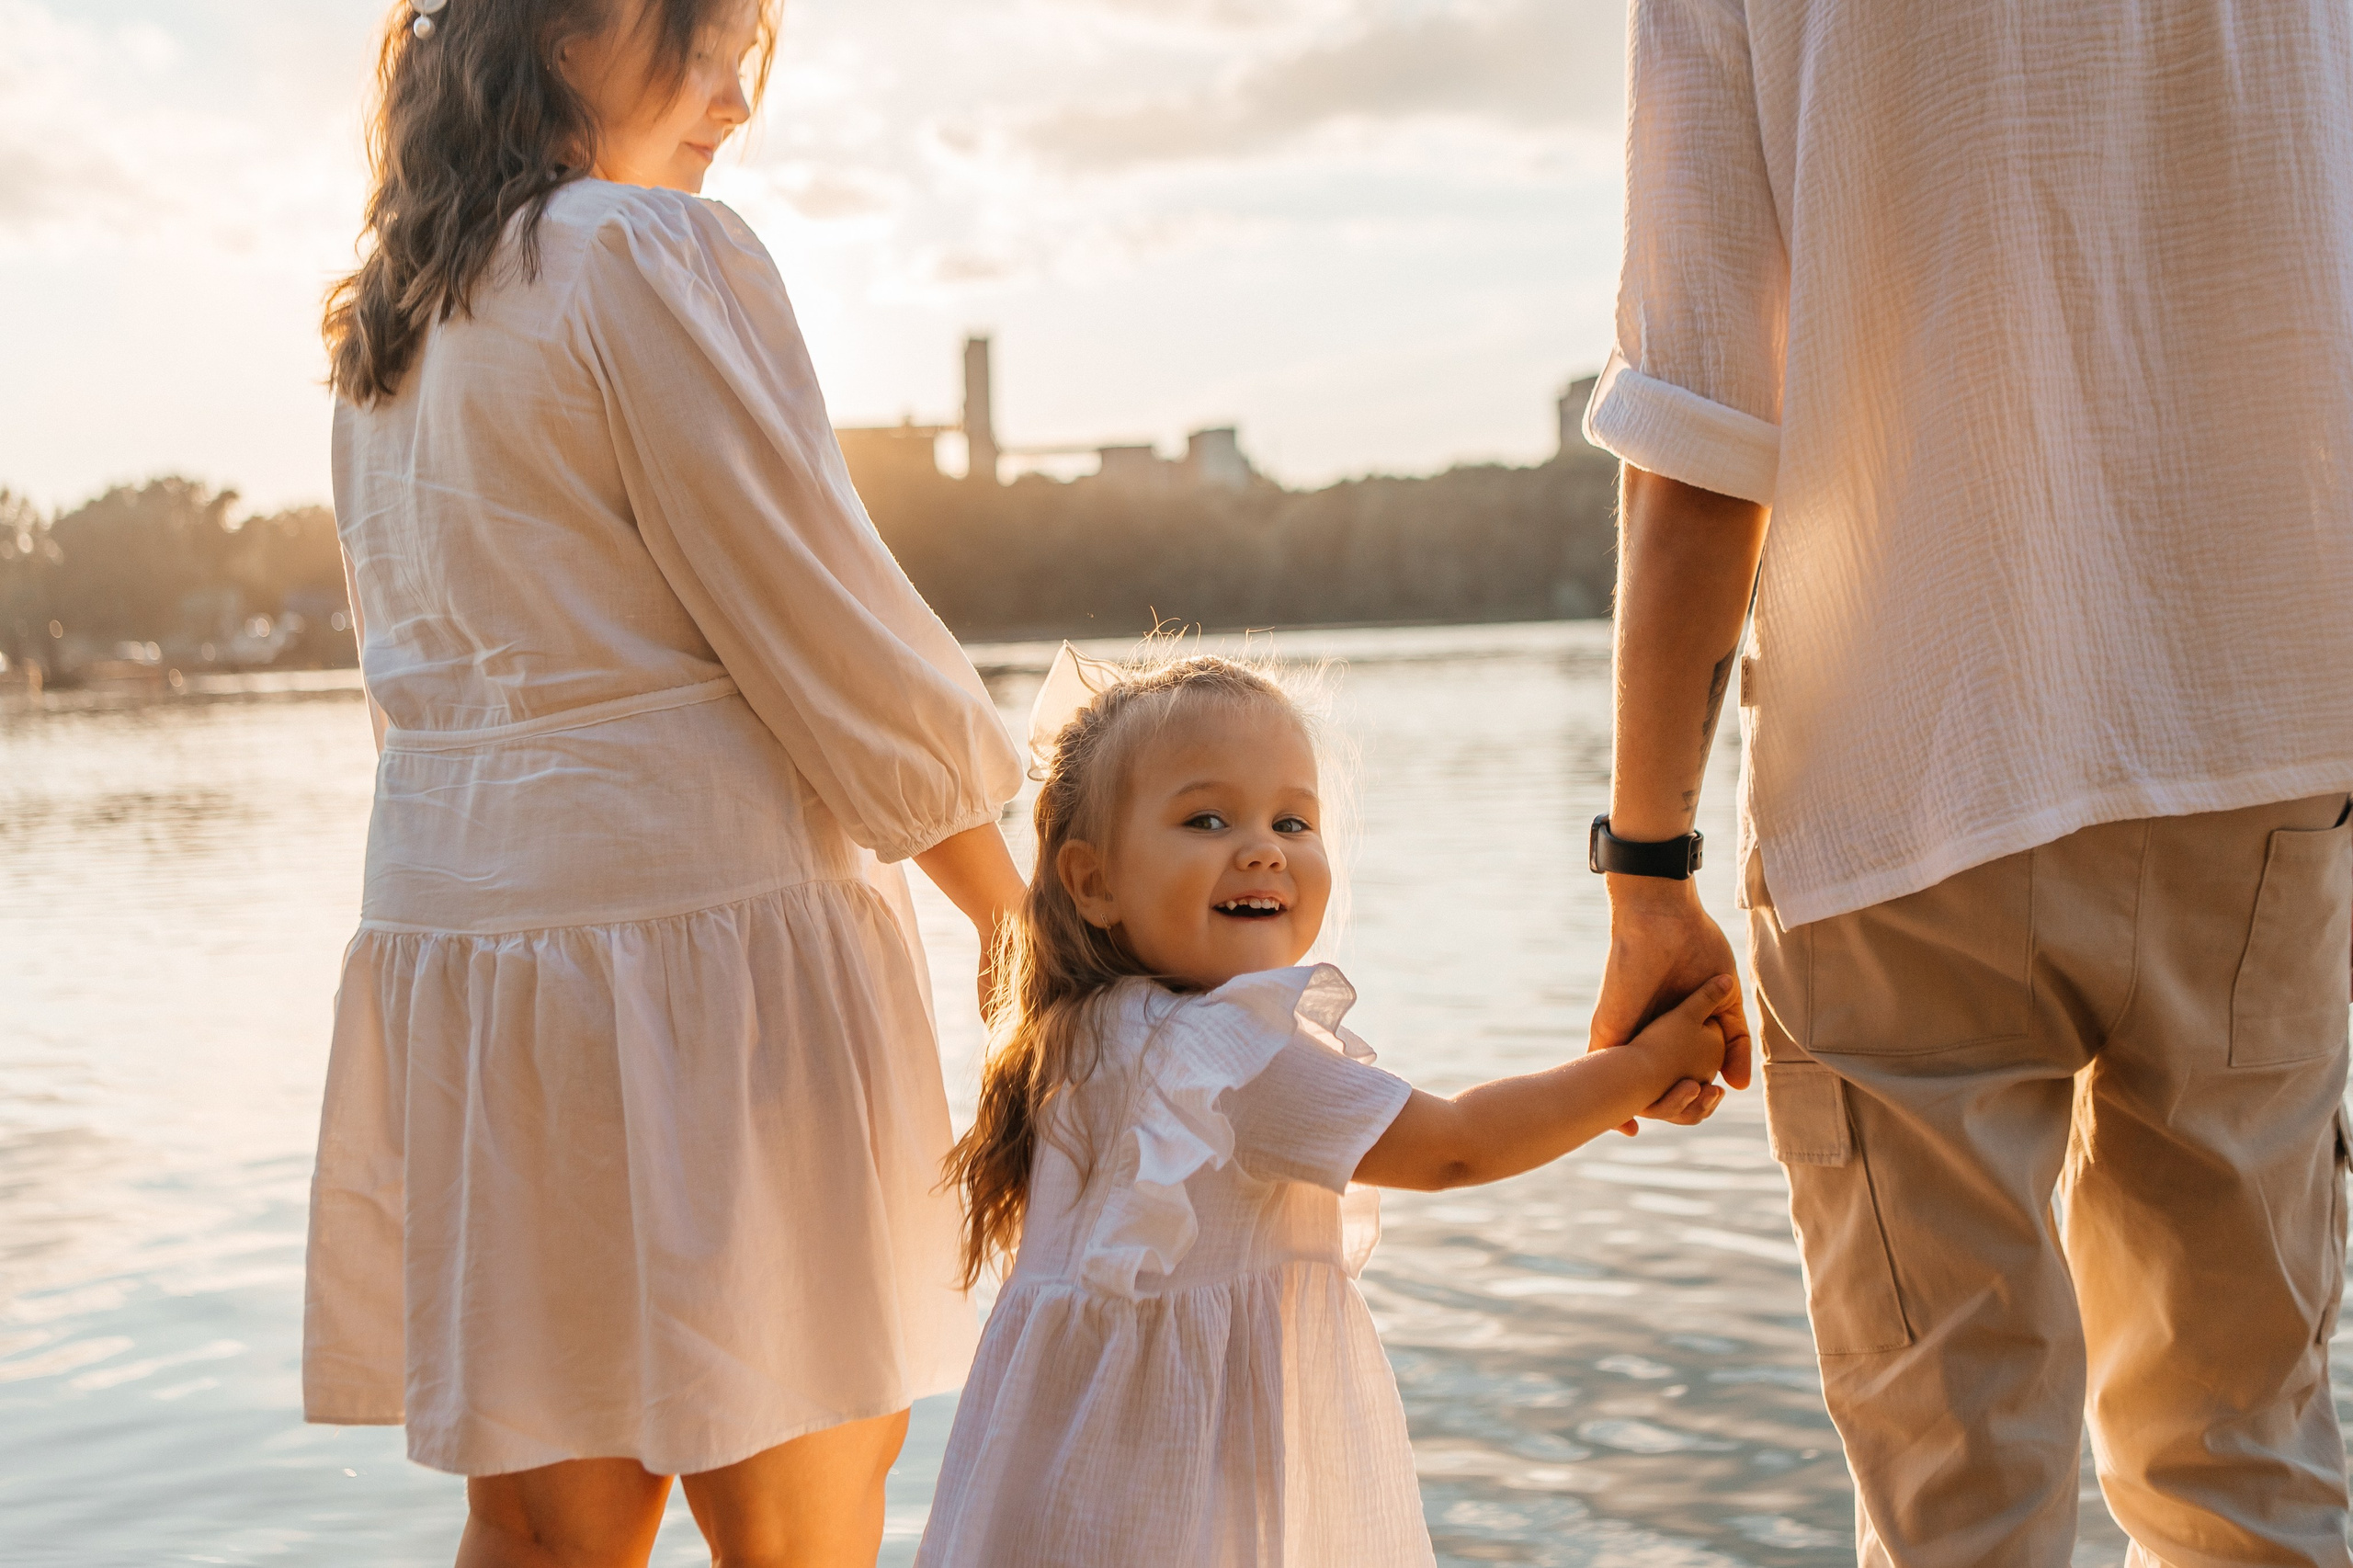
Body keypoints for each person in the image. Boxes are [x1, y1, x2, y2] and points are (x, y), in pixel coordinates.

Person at [1582, 1, 2353, 1562]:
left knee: (1959, 1503)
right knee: (2245, 1467)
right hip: (2257, 738)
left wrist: (1645, 869)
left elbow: (1700, 440)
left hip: (1903, 771)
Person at [301, 1, 1027, 1562]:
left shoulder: (396, 318)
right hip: (705, 958)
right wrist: (1013, 907)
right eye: (704, 49)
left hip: (484, 976)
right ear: (570, 33)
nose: (732, 104)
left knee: (549, 1535)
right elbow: (812, 611)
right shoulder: (635, 252)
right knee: (797, 1528)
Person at [914, 649, 1732, 1565]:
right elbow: (1455, 1144)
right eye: (1206, 817)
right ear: (1092, 879)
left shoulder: (1070, 1037)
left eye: (1291, 818)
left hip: (1054, 1502)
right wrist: (1642, 1063)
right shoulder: (1230, 1053)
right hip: (1180, 1512)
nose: (1262, 845)